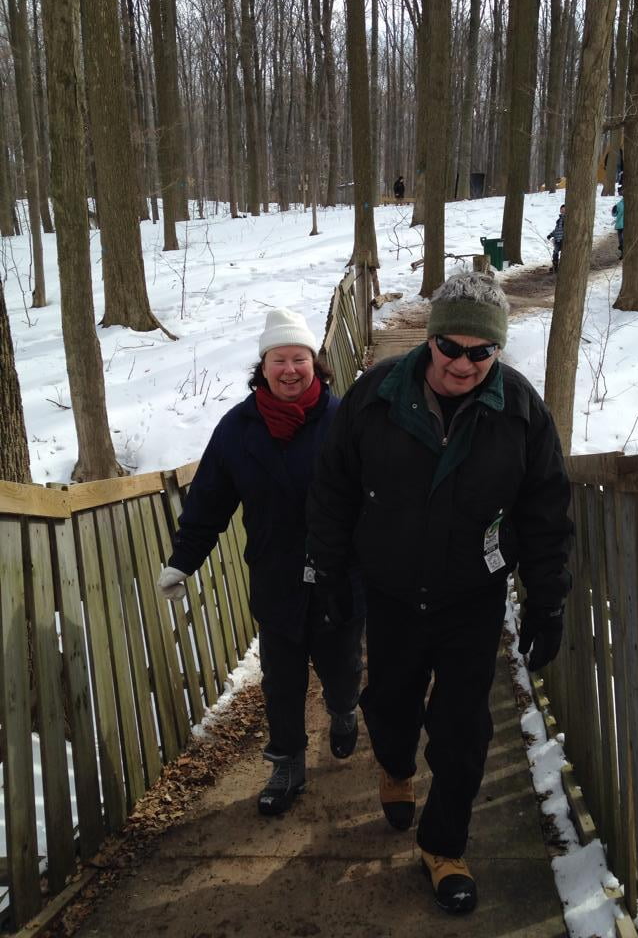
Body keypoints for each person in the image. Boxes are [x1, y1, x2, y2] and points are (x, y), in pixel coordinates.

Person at [305, 273, 572, 915]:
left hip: (471, 598)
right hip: (393, 593)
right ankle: (395, 767)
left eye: (482, 353)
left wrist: (549, 598)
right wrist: (328, 576)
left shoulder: (521, 413)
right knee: (390, 704)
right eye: (450, 348)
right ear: (429, 340)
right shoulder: (375, 398)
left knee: (464, 726)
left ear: (499, 352)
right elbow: (333, 492)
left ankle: (444, 845)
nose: (463, 364)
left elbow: (544, 509)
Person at [157, 309, 363, 817]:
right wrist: (183, 561)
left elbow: (378, 496)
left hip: (338, 578)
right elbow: (209, 500)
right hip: (276, 577)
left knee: (340, 668)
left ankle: (343, 709)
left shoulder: (344, 422)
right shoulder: (238, 429)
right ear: (263, 366)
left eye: (299, 358)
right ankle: (286, 763)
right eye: (279, 359)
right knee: (281, 677)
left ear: (316, 363)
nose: (289, 369)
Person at [546, 203, 565, 273]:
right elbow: (556, 230)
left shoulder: (566, 219)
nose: (563, 211)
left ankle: (560, 267)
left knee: (562, 253)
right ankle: (555, 267)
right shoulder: (559, 220)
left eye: (564, 210)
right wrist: (550, 235)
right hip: (557, 239)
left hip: (563, 239)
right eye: (562, 209)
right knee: (555, 253)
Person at [612, 191, 624, 259]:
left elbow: (614, 214)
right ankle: (623, 252)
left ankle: (623, 252)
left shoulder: (619, 204)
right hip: (622, 225)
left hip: (621, 225)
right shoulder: (619, 204)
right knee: (622, 239)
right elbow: (615, 214)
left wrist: (614, 211)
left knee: (622, 239)